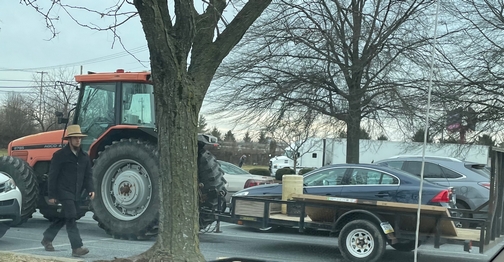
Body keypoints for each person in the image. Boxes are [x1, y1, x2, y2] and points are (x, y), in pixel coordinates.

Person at [41, 125, 95, 257]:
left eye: (79, 138)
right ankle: (77, 247)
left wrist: (91, 189)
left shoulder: (84, 156)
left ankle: (47, 238)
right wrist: (52, 195)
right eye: (75, 138)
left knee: (65, 217)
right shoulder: (60, 155)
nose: (78, 140)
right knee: (71, 217)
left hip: (76, 192)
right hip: (63, 191)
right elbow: (52, 176)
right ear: (69, 140)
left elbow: (88, 175)